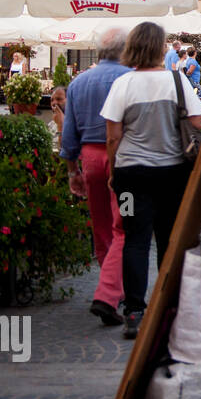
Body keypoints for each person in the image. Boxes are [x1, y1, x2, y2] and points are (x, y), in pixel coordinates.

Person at [100, 22, 201, 339]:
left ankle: (134, 309)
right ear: (161, 47)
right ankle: (167, 308)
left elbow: (112, 137)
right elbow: (198, 122)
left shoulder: (124, 84)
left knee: (135, 238)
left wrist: (112, 174)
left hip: (131, 175)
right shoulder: (177, 82)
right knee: (168, 239)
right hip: (171, 172)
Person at [61, 27, 132, 327]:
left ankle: (113, 290)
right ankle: (108, 293)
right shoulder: (129, 79)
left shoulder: (79, 82)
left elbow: (68, 132)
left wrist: (71, 170)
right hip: (122, 158)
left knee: (101, 226)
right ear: (124, 49)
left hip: (89, 158)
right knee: (125, 225)